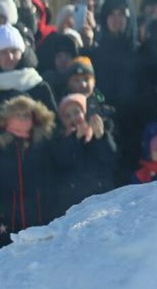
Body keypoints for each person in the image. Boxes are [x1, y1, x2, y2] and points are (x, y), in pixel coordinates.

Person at [0, 94, 57, 245]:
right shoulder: (2, 144)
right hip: (7, 219)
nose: (23, 118)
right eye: (18, 115)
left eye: (27, 115)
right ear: (7, 118)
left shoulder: (44, 143)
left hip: (40, 215)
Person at [50, 93, 116, 218]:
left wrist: (101, 136)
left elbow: (111, 158)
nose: (73, 118)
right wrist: (75, 138)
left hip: (102, 198)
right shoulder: (59, 140)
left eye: (76, 112)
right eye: (67, 116)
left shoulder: (102, 132)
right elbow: (62, 161)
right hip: (72, 202)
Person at [0, 23, 58, 113]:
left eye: (14, 51)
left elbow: (53, 123)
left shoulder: (37, 85)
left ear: (22, 53)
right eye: (3, 52)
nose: (10, 57)